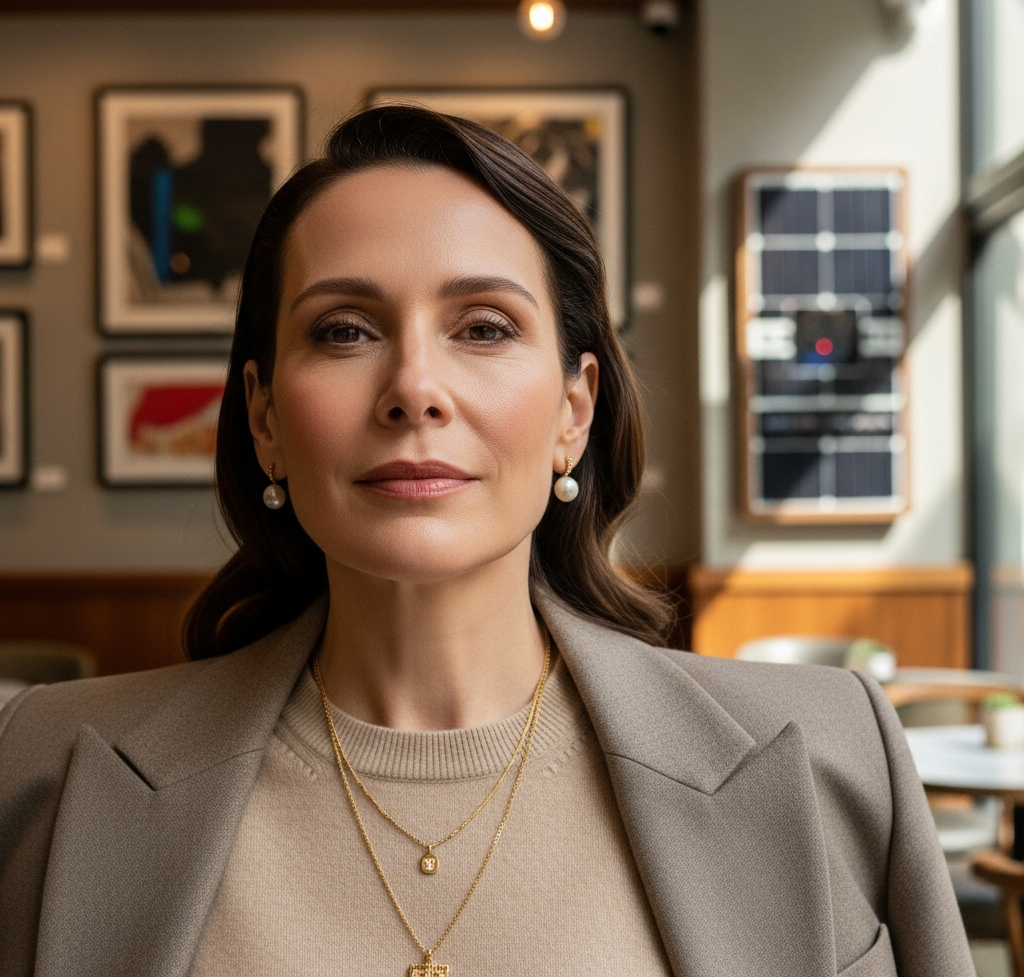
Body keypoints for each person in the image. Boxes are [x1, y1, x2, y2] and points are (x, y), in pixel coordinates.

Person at [0, 106, 971, 977]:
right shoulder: (44, 770)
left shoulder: (828, 759)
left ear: (573, 411)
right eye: (342, 330)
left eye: (483, 326)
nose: (413, 387)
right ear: (263, 417)